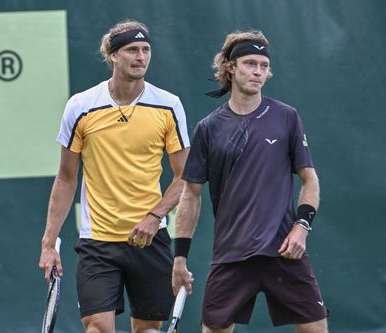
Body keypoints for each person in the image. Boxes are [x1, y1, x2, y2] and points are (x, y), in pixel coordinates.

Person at [171, 30, 329, 332]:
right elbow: (190, 195)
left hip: (284, 251)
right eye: (249, 63)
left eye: (263, 66)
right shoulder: (208, 128)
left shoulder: (287, 117)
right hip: (231, 254)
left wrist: (301, 227)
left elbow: (310, 180)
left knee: (316, 329)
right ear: (231, 67)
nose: (258, 72)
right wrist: (180, 259)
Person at [39, 19, 190, 333]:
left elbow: (184, 176)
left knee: (148, 329)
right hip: (97, 242)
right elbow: (66, 178)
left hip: (149, 238)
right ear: (113, 56)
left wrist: (155, 215)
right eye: (132, 50)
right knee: (97, 328)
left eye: (146, 49)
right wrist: (49, 243)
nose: (141, 57)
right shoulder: (81, 107)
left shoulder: (168, 106)